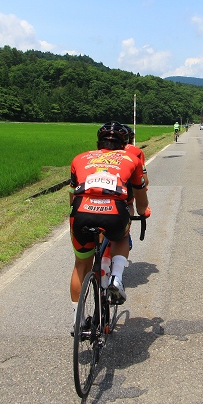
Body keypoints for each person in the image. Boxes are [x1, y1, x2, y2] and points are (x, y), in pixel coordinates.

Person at [69, 121, 150, 323]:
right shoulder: (132, 157)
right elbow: (140, 193)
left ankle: (77, 322)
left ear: (98, 143)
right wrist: (142, 211)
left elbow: (72, 196)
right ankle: (116, 277)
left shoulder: (80, 158)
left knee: (81, 264)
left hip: (81, 212)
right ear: (125, 143)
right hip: (114, 212)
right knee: (121, 236)